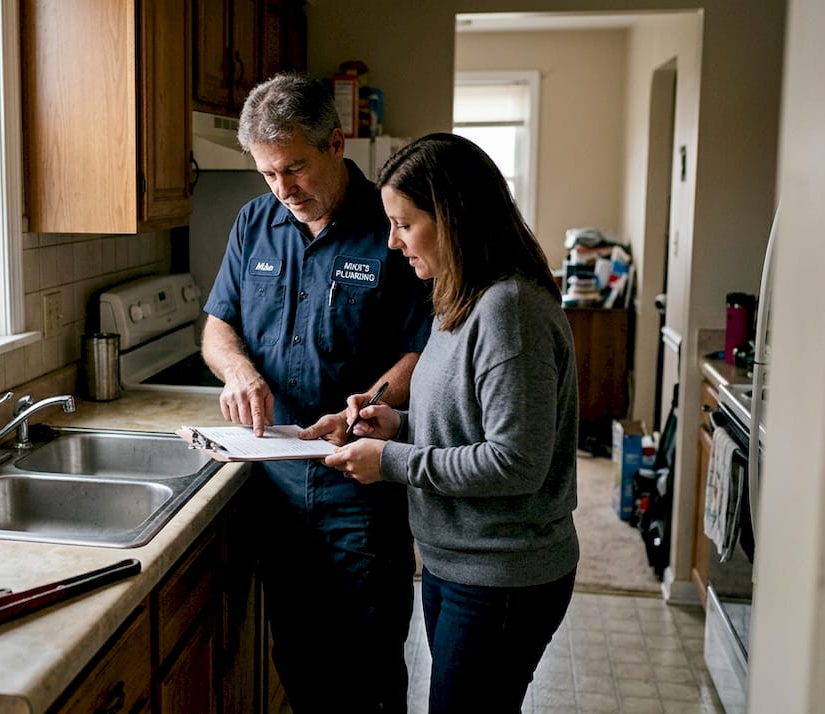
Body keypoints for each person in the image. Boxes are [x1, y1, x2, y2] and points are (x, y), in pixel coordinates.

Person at [303, 133, 580, 713]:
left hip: (503, 575)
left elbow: (516, 462)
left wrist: (391, 463)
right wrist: (394, 425)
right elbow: (468, 421)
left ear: (452, 219)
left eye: (404, 224)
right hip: (458, 564)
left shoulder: (510, 310)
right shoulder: (460, 299)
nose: (392, 241)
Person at [201, 73, 432, 714]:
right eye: (268, 174)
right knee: (297, 662)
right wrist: (240, 373)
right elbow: (218, 327)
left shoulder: (390, 224)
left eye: (295, 169)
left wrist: (371, 397)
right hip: (272, 485)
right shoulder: (255, 223)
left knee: (367, 669)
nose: (284, 190)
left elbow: (424, 344)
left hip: (358, 485)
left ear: (336, 142)